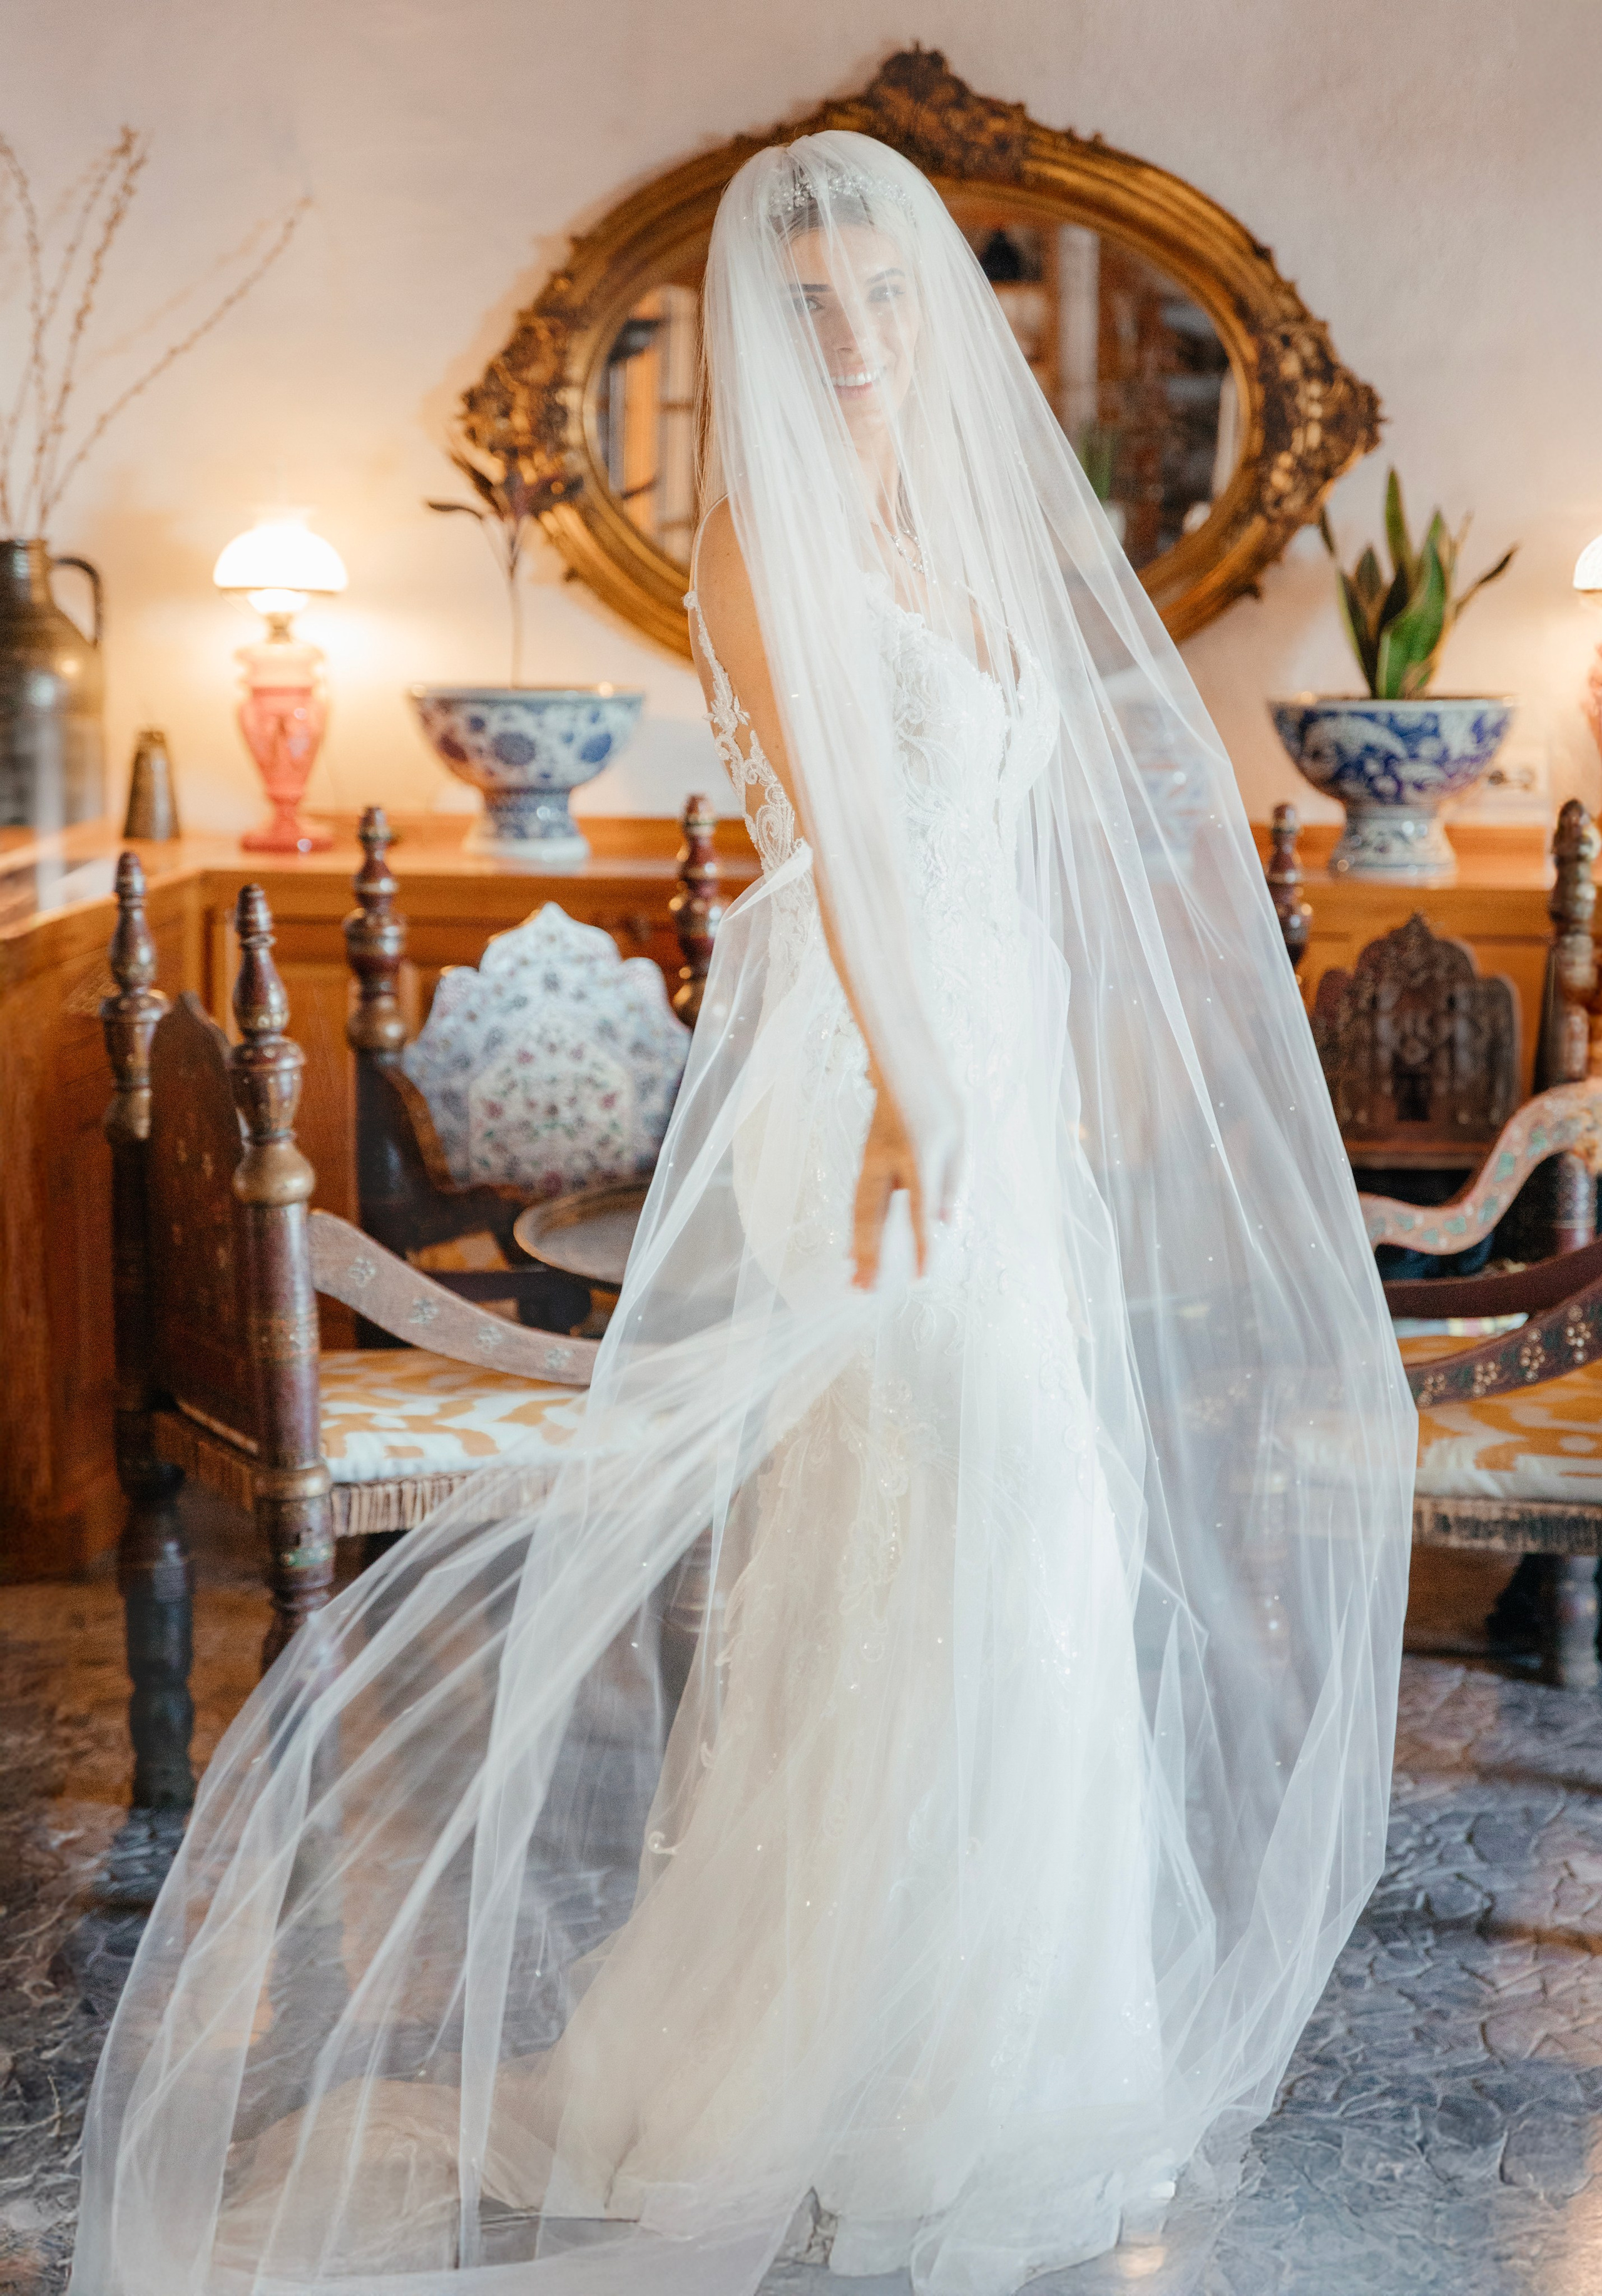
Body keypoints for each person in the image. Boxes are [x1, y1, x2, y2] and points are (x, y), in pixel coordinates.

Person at [71, 133, 1414, 2296]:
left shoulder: (968, 529)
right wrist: (906, 1092)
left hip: (987, 1086)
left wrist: (1027, 1088)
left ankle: (990, 2056)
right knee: (933, 1505)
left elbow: (1027, 837)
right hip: (858, 1077)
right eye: (812, 311)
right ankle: (824, 2057)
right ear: (766, 333)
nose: (859, 343)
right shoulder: (757, 545)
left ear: (935, 308)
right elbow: (860, 858)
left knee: (1033, 1530)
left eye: (886, 300)